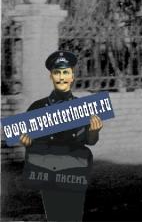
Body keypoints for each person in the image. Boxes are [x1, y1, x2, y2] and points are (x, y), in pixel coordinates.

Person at [20, 50, 103, 222]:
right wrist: (27, 142)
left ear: (72, 77)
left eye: (66, 72)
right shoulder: (37, 108)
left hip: (74, 172)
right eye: (57, 73)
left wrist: (94, 131)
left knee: (73, 215)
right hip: (48, 172)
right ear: (51, 76)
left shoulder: (83, 108)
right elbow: (30, 142)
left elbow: (90, 141)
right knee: (54, 215)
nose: (61, 77)